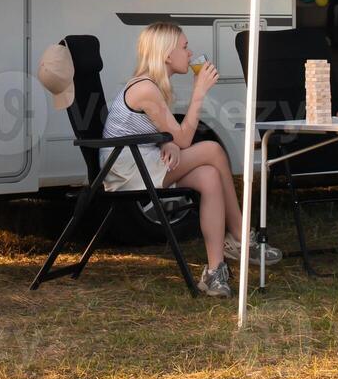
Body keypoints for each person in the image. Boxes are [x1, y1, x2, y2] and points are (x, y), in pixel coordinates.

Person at [101, 21, 280, 297]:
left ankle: (214, 271)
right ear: (166, 54)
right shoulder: (145, 88)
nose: (190, 52)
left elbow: (173, 136)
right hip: (128, 169)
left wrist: (168, 142)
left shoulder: (152, 86)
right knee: (212, 150)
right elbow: (184, 139)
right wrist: (198, 92)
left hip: (141, 161)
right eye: (184, 47)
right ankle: (241, 237)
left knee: (209, 176)